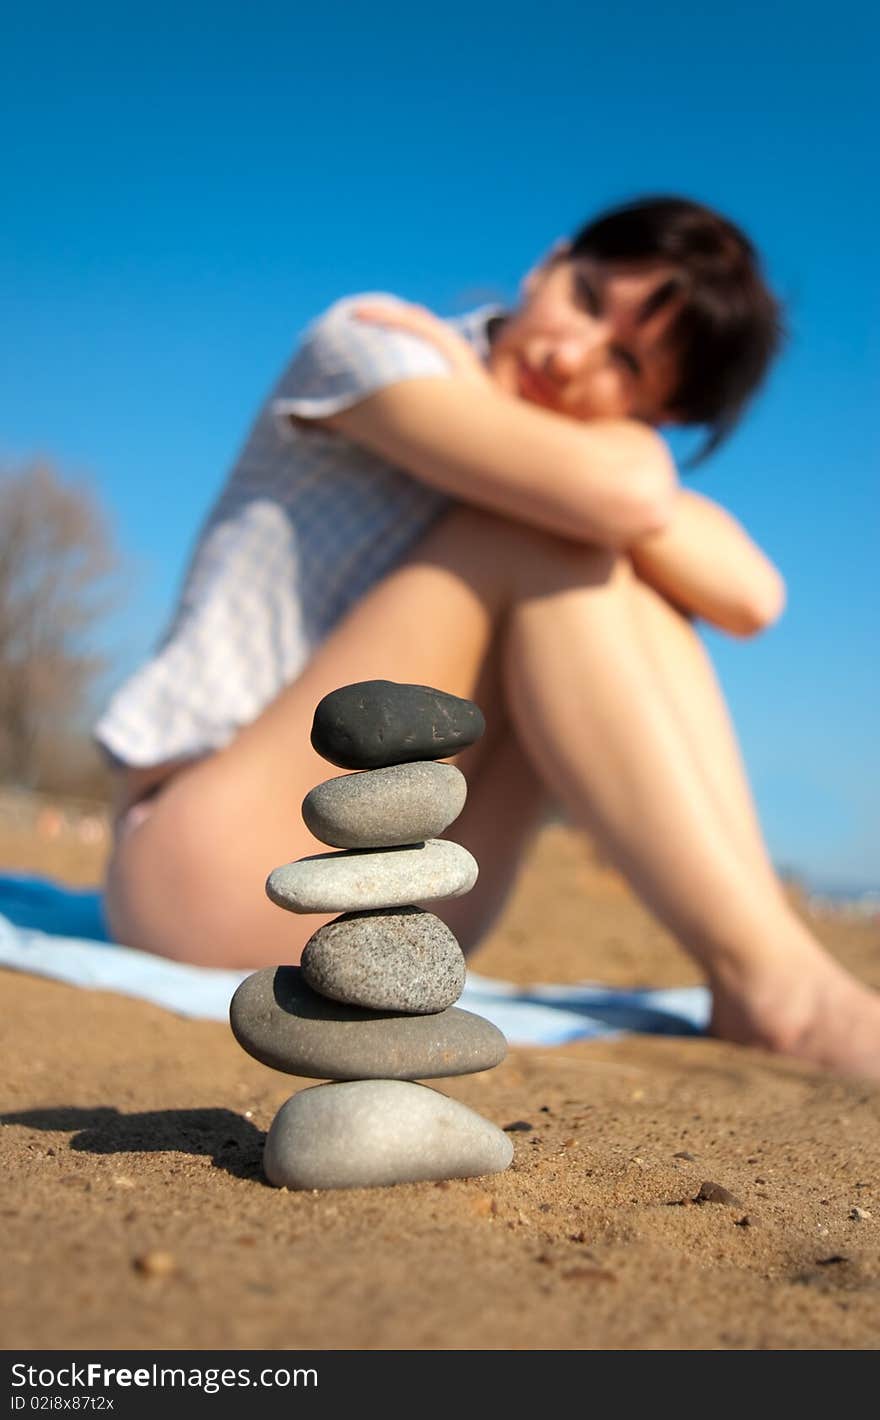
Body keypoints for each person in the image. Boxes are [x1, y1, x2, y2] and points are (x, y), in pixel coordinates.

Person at [94, 193, 880, 1078]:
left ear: (655, 417)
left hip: (408, 905)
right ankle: (777, 985)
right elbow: (623, 497)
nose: (567, 353)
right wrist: (587, 454)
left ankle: (770, 969)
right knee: (552, 538)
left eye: (625, 363)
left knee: (613, 565)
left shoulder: (581, 464)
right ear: (545, 265)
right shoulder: (375, 343)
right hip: (199, 865)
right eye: (584, 298)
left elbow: (751, 596)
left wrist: (595, 464)